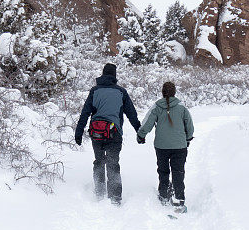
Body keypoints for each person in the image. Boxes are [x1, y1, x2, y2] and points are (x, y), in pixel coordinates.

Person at [75, 63, 141, 205]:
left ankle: (99, 193)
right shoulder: (121, 92)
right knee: (113, 163)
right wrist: (139, 131)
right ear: (114, 76)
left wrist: (79, 132)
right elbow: (131, 113)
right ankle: (115, 198)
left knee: (99, 161)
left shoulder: (94, 91)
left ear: (103, 74)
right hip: (114, 133)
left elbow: (85, 113)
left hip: (96, 133)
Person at [137, 81, 194, 211]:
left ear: (163, 92)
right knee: (178, 172)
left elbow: (147, 123)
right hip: (180, 146)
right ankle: (179, 199)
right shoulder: (182, 107)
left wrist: (141, 135)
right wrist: (188, 138)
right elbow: (190, 126)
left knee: (163, 171)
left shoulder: (156, 107)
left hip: (161, 146)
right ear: (174, 92)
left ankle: (164, 195)